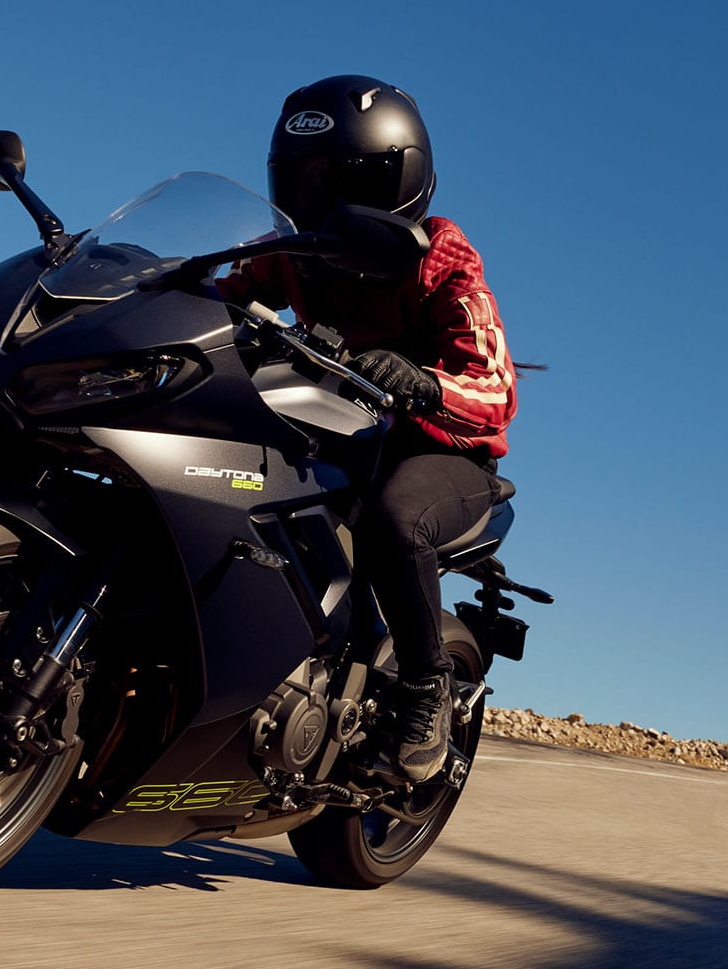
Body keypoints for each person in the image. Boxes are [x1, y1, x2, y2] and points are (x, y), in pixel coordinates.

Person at [220, 75, 517, 782]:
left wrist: (421, 383)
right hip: (341, 428)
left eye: (338, 179)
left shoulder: (440, 259)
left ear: (394, 179)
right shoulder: (291, 251)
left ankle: (425, 695)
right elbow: (221, 293)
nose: (318, 199)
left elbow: (497, 391)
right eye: (304, 179)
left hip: (440, 451)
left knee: (394, 516)